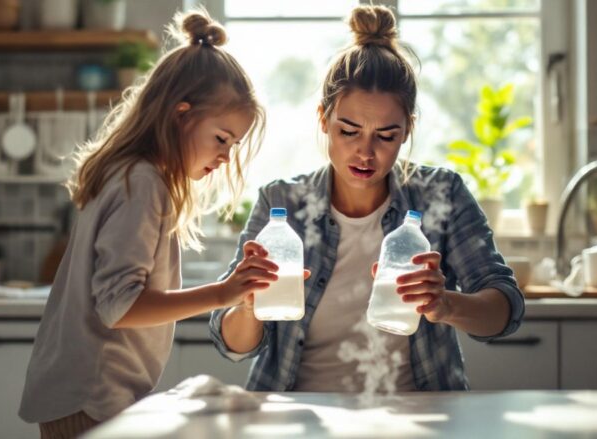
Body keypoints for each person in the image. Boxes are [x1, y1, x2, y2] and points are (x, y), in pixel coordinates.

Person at [210, 5, 525, 393]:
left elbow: (505, 309)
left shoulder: (441, 195)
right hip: (300, 410)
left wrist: (446, 304)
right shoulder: (283, 204)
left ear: (407, 130)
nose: (365, 152)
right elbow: (232, 344)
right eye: (349, 131)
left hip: (417, 411)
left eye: (386, 136)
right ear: (323, 119)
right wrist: (248, 306)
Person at [19, 10, 277, 438]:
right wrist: (222, 293)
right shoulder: (142, 182)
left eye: (233, 145)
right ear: (181, 115)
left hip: (83, 394)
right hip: (92, 398)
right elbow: (119, 305)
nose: (225, 156)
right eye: (221, 138)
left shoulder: (130, 173)